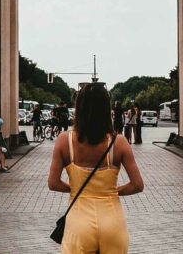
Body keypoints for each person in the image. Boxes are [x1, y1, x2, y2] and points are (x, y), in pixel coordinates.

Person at [48, 81, 145, 254]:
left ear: (79, 107)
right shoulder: (119, 142)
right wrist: (112, 191)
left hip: (79, 222)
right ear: (106, 109)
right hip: (112, 223)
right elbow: (137, 185)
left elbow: (53, 183)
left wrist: (76, 189)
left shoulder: (65, 141)